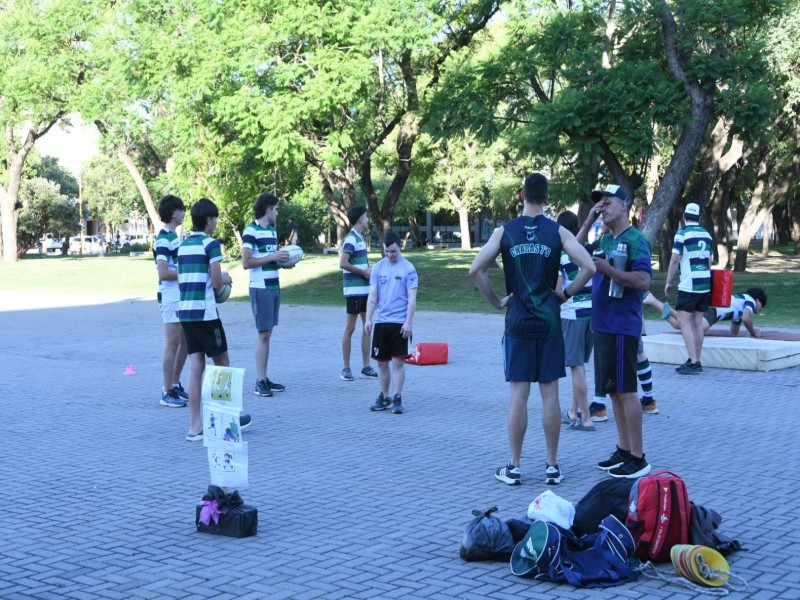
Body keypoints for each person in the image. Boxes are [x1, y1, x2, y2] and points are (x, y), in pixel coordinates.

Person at [470, 173, 594, 486]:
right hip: (550, 323)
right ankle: (552, 467)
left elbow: (476, 269)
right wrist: (565, 295)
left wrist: (497, 301)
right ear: (547, 198)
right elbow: (589, 267)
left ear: (521, 195)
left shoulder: (504, 232)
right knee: (550, 395)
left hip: (517, 324)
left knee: (519, 396)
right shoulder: (558, 231)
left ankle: (514, 467)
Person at [577, 184, 651, 479]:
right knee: (613, 391)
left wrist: (609, 271)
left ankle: (638, 457)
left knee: (626, 391)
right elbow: (574, 253)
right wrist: (587, 222)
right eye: (600, 204)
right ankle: (623, 449)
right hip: (603, 324)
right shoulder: (605, 239)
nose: (603, 207)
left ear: (624, 205)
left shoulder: (635, 240)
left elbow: (644, 281)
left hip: (622, 326)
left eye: (608, 203)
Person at [178, 198, 250, 441]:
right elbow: (217, 282)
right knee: (223, 364)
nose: (217, 222)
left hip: (186, 313)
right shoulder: (211, 245)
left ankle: (194, 426)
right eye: (215, 218)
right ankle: (226, 418)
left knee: (196, 367)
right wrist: (227, 278)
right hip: (206, 314)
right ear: (208, 219)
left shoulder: (184, 245)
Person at [365, 231, 418, 415]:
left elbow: (412, 299)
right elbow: (373, 295)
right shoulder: (378, 268)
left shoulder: (409, 269)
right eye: (386, 251)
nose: (389, 255)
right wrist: (368, 318)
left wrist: (408, 323)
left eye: (393, 251)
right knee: (381, 363)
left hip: (400, 323)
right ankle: (384, 396)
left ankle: (397, 397)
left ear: (400, 247)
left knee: (398, 362)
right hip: (382, 322)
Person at [242, 192, 288, 397]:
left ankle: (265, 377)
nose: (277, 213)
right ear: (268, 209)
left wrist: (283, 263)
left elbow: (270, 259)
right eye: (276, 209)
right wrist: (273, 257)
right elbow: (247, 262)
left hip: (273, 286)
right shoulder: (250, 231)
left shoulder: (271, 231)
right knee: (263, 334)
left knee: (268, 334)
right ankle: (259, 381)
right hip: (260, 287)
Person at [555, 211, 595, 432]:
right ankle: (573, 410)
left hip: (572, 315)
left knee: (575, 366)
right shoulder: (586, 250)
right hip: (591, 314)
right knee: (578, 366)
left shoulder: (563, 255)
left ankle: (586, 418)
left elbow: (559, 289)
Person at [665, 202, 713, 374]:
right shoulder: (707, 235)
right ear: (700, 218)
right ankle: (697, 359)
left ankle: (692, 361)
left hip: (689, 283)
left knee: (684, 321)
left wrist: (669, 281)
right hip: (704, 283)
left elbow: (675, 259)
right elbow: (710, 260)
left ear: (684, 217)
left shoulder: (682, 233)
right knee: (698, 322)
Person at [154, 194, 188, 408]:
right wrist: (186, 275)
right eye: (182, 209)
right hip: (170, 295)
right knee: (172, 343)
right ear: (174, 212)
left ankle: (175, 384)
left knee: (185, 342)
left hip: (180, 294)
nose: (184, 213)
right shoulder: (164, 238)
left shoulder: (175, 237)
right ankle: (167, 391)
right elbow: (163, 272)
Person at [339, 205, 378, 381]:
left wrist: (369, 269)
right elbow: (343, 263)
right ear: (360, 219)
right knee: (350, 328)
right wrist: (363, 273)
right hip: (354, 291)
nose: (368, 219)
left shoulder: (360, 238)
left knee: (367, 326)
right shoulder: (351, 239)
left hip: (365, 290)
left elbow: (360, 264)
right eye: (366, 216)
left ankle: (366, 366)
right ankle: (346, 369)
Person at [644, 287, 768, 338]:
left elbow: (733, 333)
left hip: (711, 307)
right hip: (713, 311)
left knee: (679, 325)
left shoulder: (740, 304)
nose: (760, 309)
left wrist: (745, 336)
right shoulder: (750, 300)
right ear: (758, 300)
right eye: (761, 305)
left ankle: (653, 301)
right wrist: (754, 332)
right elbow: (747, 318)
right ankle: (670, 310)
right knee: (693, 330)